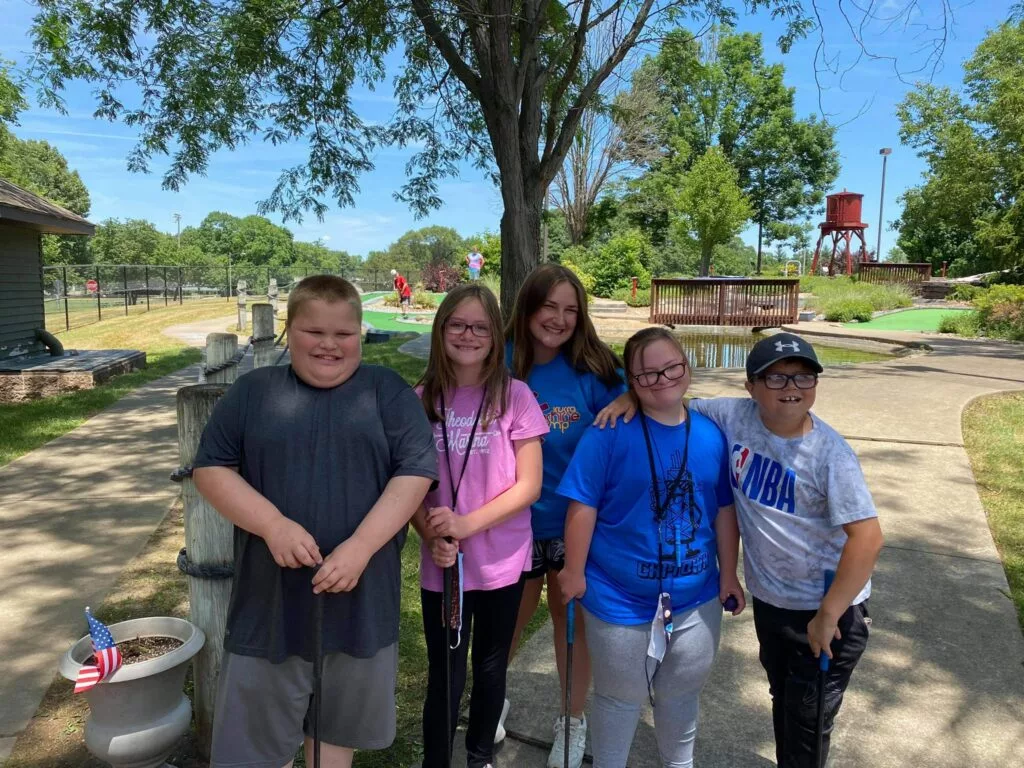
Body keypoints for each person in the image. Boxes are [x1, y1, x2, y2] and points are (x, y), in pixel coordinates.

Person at [595, 332, 884, 768]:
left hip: (828, 608)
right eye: (776, 379)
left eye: (804, 378)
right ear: (749, 387)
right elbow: (669, 396)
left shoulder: (831, 456)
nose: (791, 388)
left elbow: (868, 537)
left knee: (809, 716)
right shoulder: (733, 415)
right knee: (784, 698)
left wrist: (828, 614)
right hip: (774, 602)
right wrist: (628, 399)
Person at [192, 275, 438, 768]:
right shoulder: (252, 392)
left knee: (334, 740)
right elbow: (210, 469)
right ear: (290, 330)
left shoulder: (387, 392)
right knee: (253, 750)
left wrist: (362, 546)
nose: (329, 344)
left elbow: (414, 473)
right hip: (268, 609)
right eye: (313, 332)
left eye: (343, 334)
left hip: (361, 607)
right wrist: (272, 524)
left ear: (360, 334)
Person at [556, 327, 742, 768]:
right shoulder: (608, 433)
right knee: (620, 699)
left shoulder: (712, 435)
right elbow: (582, 504)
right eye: (646, 375)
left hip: (695, 598)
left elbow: (722, 511)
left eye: (670, 368)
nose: (661, 380)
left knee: (681, 695)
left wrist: (730, 573)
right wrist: (574, 571)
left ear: (687, 368)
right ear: (631, 382)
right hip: (618, 597)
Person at [413, 283, 549, 768]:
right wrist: (430, 533)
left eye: (480, 327)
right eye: (457, 324)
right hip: (443, 564)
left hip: (501, 562)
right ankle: (436, 761)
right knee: (444, 672)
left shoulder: (515, 396)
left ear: (495, 336)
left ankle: (479, 756)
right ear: (441, 330)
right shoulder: (421, 398)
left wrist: (465, 524)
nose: (468, 335)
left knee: (490, 668)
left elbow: (529, 485)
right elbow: (407, 486)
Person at [502, 263, 627, 768]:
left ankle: (572, 723)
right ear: (528, 306)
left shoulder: (592, 366)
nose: (559, 318)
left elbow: (641, 392)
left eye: (571, 309)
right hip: (509, 522)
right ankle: (493, 697)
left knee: (567, 620)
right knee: (507, 622)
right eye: (549, 306)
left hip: (573, 524)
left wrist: (628, 401)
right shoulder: (499, 359)